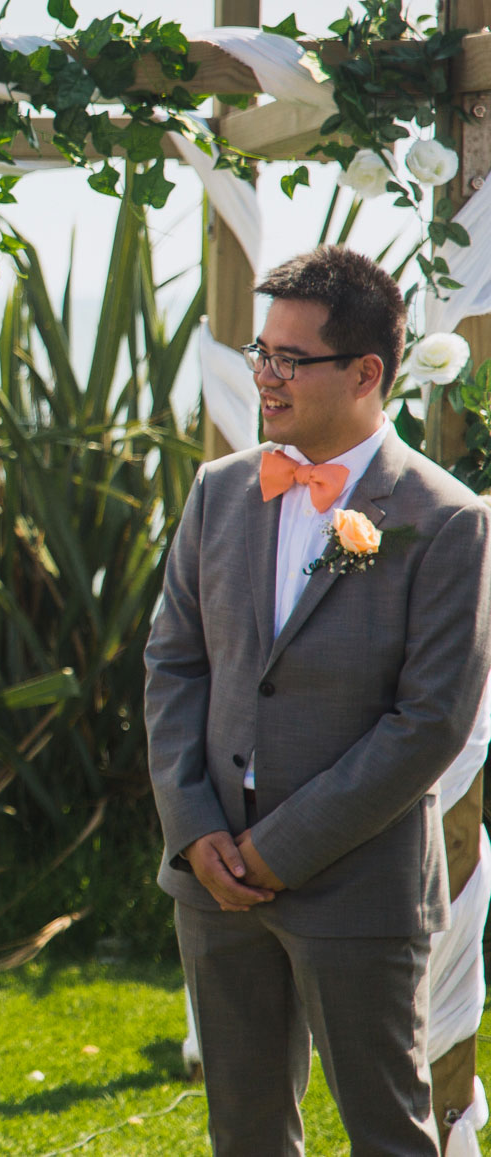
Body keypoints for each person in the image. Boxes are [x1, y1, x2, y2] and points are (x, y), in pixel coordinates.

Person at [145, 246, 491, 1156]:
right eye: (262, 353)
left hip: (359, 884)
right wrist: (196, 828)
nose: (265, 375)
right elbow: (173, 663)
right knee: (245, 1134)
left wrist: (279, 847)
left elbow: (432, 723)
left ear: (368, 372)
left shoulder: (446, 518)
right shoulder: (219, 489)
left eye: (289, 359)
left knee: (387, 1132)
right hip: (212, 875)